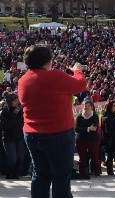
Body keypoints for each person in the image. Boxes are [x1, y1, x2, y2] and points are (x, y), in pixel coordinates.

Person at [17, 45, 88, 198]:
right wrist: (77, 70)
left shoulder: (22, 80)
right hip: (58, 135)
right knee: (60, 177)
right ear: (47, 61)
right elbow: (81, 84)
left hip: (31, 134)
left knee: (40, 175)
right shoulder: (54, 76)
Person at [75, 98, 101, 178]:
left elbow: (94, 128)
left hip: (93, 140)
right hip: (81, 140)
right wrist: (88, 128)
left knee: (95, 156)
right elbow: (77, 129)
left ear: (91, 106)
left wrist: (84, 129)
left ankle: (97, 173)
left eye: (88, 105)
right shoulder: (79, 117)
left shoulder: (95, 116)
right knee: (82, 157)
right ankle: (82, 173)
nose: (86, 107)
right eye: (85, 106)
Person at [0, 92, 24, 179]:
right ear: (10, 102)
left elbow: (22, 123)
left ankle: (15, 175)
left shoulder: (19, 110)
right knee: (12, 159)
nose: (17, 103)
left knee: (19, 158)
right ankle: (8, 174)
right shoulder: (5, 111)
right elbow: (6, 126)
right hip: (8, 138)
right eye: (15, 101)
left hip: (19, 137)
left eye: (17, 101)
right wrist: (14, 114)